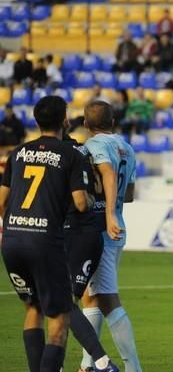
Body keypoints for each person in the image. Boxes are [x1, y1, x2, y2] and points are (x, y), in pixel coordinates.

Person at [0, 96, 93, 372]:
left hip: (12, 240)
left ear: (36, 120)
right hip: (44, 242)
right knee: (60, 319)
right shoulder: (70, 155)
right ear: (65, 120)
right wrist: (89, 197)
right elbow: (80, 203)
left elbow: (1, 203)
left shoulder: (18, 153)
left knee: (32, 308)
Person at [80, 100, 142, 372]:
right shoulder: (127, 148)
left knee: (107, 299)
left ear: (85, 124)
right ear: (113, 122)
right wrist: (114, 209)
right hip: (118, 227)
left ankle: (133, 367)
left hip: (100, 228)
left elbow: (106, 172)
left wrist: (104, 209)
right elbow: (128, 195)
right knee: (91, 297)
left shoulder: (91, 147)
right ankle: (87, 365)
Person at [62, 133, 120, 372]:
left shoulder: (62, 156)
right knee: (75, 301)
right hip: (94, 234)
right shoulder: (86, 151)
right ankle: (90, 364)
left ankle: (99, 362)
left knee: (64, 303)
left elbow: (79, 201)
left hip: (74, 232)